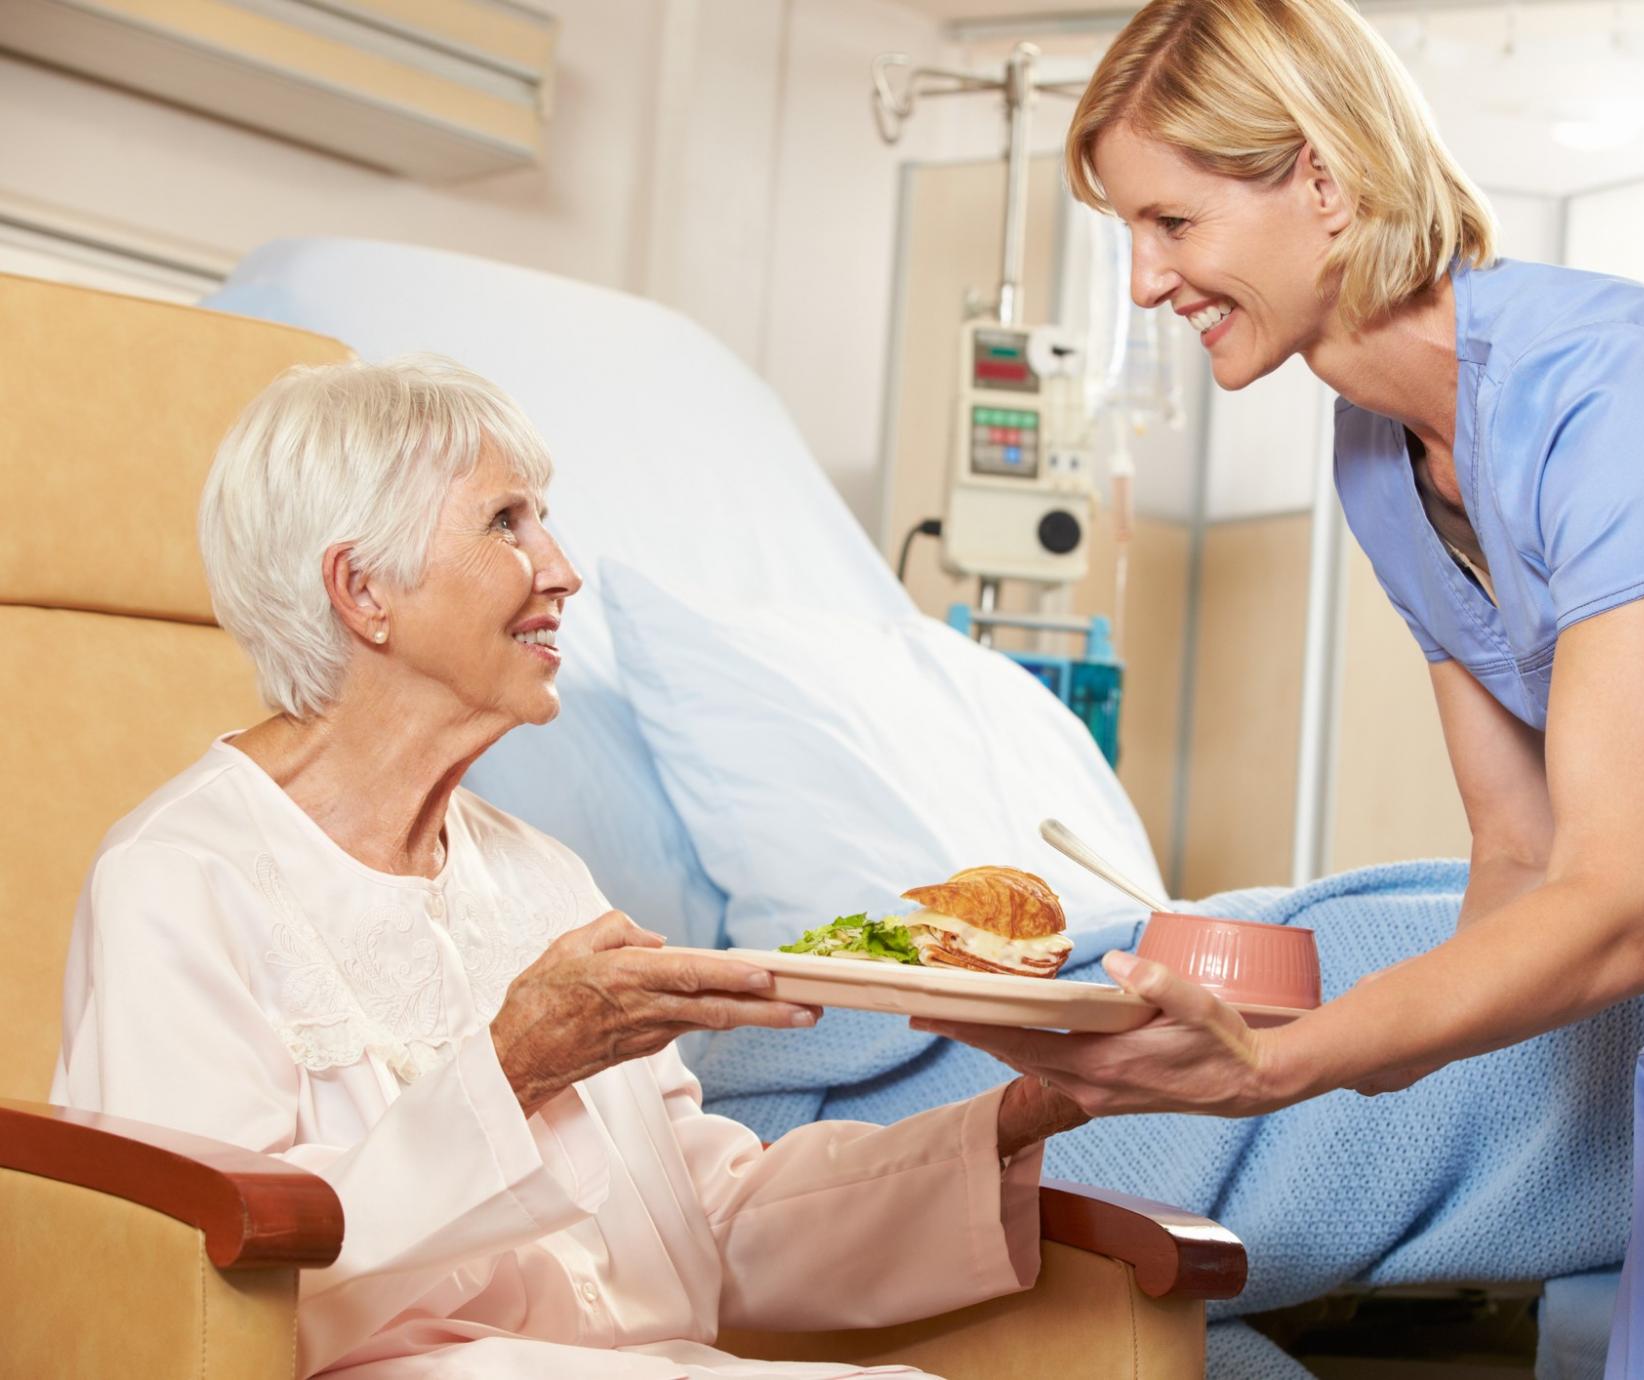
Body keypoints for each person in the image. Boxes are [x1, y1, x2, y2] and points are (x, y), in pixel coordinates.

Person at [915, 2, 1644, 1375]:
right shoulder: (1377, 455)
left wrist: (1276, 1072)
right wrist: (1266, 1035)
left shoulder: (1614, 393)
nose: (1141, 283)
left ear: (1321, 177)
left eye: (1172, 225)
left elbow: (1617, 912)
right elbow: (1523, 855)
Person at [50, 355, 1087, 1380]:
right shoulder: (181, 881)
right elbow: (194, 1288)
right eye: (506, 522)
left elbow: (713, 1221)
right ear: (363, 589)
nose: (562, 567)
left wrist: (1029, 1109)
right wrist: (514, 1064)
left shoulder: (543, 879)